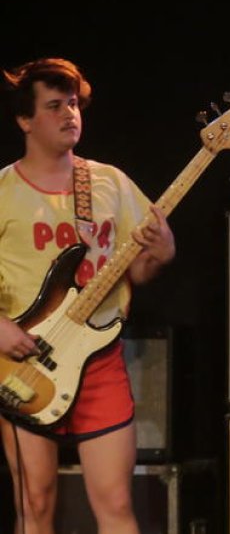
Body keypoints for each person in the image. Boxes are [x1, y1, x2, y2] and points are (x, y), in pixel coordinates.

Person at [0, 58, 175, 533]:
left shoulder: (108, 183)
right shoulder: (3, 190)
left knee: (117, 503)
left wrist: (160, 254)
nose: (68, 114)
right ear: (24, 120)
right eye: (54, 105)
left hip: (99, 358)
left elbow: (137, 271)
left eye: (73, 104)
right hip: (26, 362)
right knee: (34, 501)